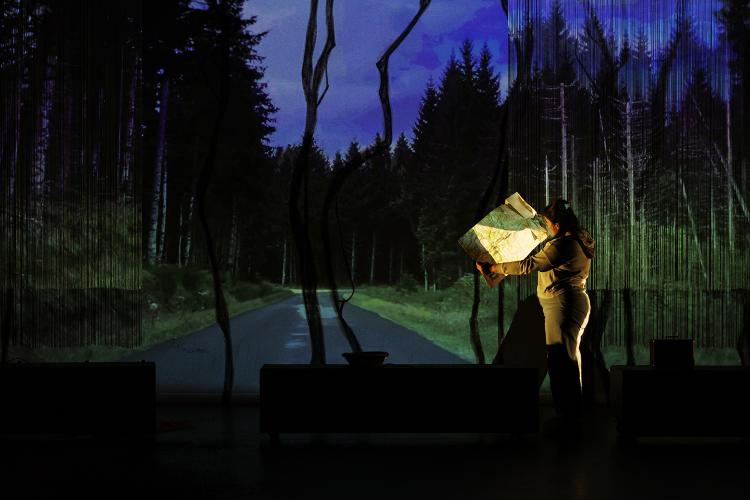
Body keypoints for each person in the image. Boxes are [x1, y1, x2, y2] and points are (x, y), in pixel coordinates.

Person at [476, 199, 595, 423]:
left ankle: (569, 416)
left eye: (548, 224)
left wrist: (493, 267)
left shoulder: (563, 245)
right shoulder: (577, 239)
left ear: (557, 225)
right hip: (568, 304)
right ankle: (570, 414)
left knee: (562, 363)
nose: (547, 228)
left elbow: (528, 265)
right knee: (565, 361)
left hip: (563, 306)